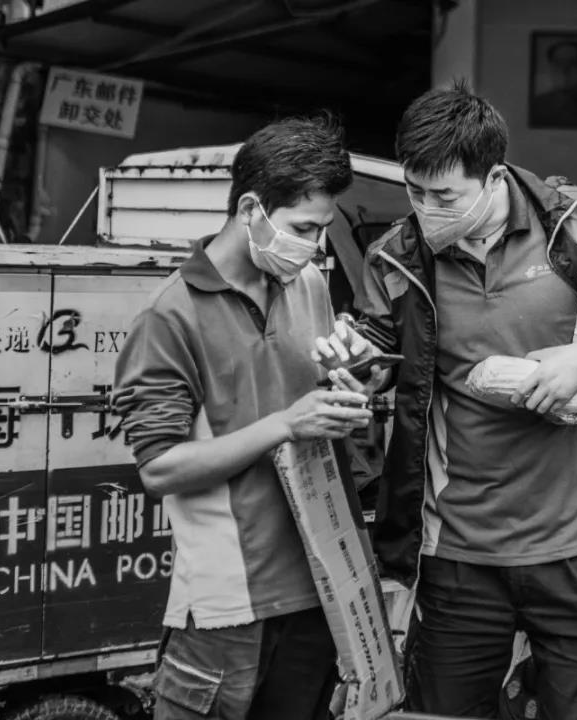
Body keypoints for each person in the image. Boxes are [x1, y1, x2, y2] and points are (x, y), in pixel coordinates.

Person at [317, 83, 577, 719]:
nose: (426, 209)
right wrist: (354, 367)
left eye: (445, 196)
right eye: (415, 191)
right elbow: (380, 351)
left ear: (494, 176)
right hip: (456, 551)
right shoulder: (398, 255)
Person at [112, 118, 373, 720]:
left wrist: (353, 377)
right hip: (228, 606)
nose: (315, 245)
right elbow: (159, 467)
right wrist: (287, 423)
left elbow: (313, 401)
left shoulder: (308, 283)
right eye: (303, 228)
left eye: (323, 229)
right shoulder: (169, 316)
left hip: (321, 586)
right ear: (251, 209)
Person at [530, 39, 577, 128]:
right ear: (550, 68)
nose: (564, 69)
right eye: (558, 63)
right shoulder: (536, 105)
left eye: (573, 63)